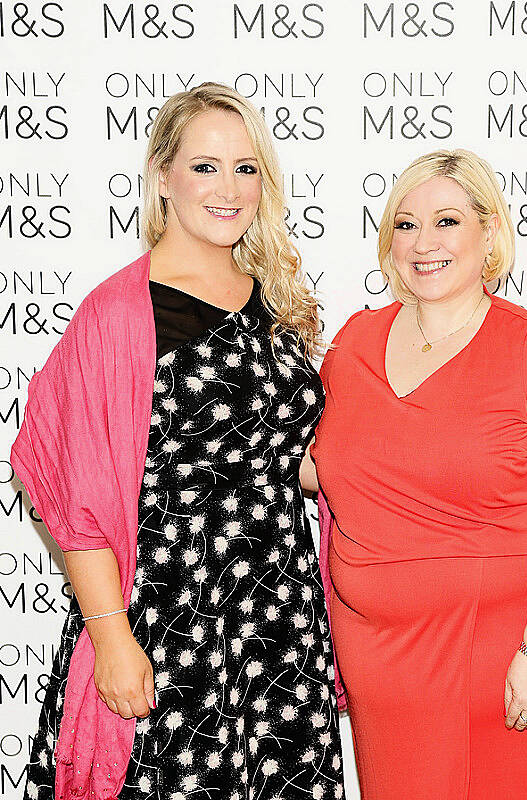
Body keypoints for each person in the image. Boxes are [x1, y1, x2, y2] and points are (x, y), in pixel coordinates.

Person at [12, 82, 343, 800]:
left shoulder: (275, 297)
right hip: (170, 614)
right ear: (162, 176)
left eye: (246, 168)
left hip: (278, 613)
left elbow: (294, 463)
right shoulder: (120, 315)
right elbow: (77, 494)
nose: (228, 188)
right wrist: (110, 637)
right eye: (205, 166)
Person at [304, 149, 527, 800]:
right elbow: (310, 466)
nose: (424, 242)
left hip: (500, 654)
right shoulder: (353, 342)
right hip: (381, 663)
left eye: (447, 221)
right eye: (405, 225)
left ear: (488, 232)